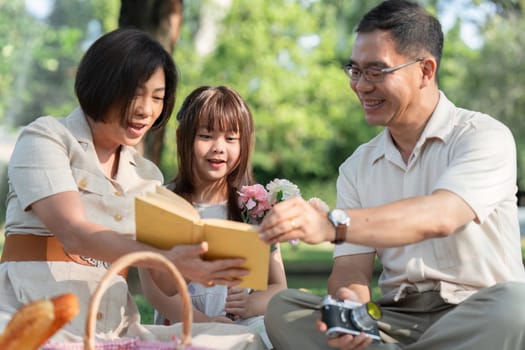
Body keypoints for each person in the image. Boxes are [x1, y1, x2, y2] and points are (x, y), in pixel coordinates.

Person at [258, 1, 525, 349]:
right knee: (284, 309)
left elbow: (441, 215)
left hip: (476, 312)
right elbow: (352, 270)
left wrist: (331, 224)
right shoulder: (357, 167)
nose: (361, 86)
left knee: (516, 308)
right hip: (394, 319)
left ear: (425, 71)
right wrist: (350, 306)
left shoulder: (483, 136)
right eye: (355, 70)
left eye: (377, 71)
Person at [0, 28, 264, 349]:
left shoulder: (146, 174)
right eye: (136, 93)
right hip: (36, 318)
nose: (146, 110)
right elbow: (73, 232)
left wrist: (198, 255)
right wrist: (169, 258)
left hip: (117, 330)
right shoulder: (46, 137)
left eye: (157, 97)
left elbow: (162, 282)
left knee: (243, 340)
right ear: (101, 85)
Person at [139, 85, 287, 349]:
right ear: (182, 137)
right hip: (183, 324)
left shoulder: (252, 204)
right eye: (206, 136)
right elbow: (154, 290)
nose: (219, 148)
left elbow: (278, 286)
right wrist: (207, 322)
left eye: (231, 139)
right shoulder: (162, 201)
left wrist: (251, 303)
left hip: (240, 325)